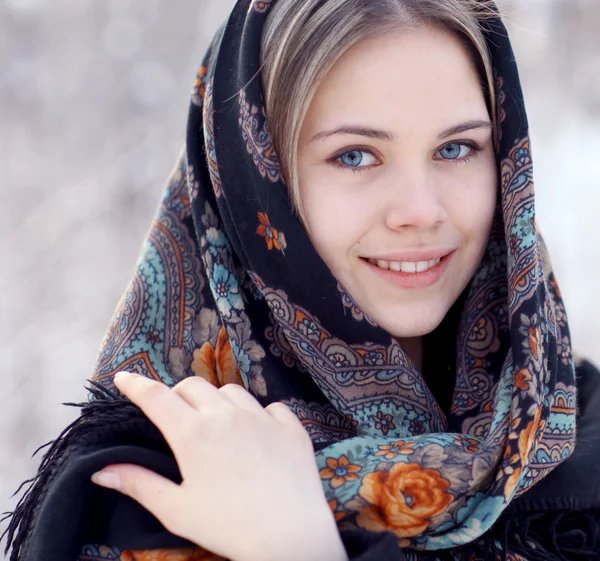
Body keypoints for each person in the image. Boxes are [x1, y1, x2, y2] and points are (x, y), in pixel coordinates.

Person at [3, 0, 600, 559]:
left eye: (456, 149)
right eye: (355, 156)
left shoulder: (576, 431)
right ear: (251, 182)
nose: (421, 209)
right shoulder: (146, 484)